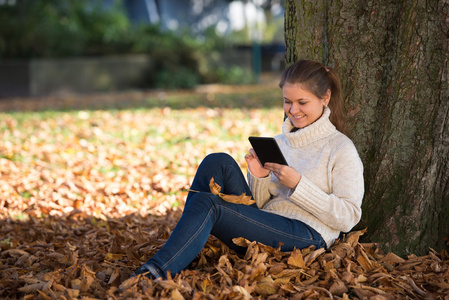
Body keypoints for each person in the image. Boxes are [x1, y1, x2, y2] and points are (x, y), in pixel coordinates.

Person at [132, 59, 364, 279]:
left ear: (325, 97)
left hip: (308, 235)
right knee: (217, 161)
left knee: (209, 204)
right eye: (287, 101)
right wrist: (258, 177)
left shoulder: (340, 148)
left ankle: (154, 272)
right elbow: (262, 207)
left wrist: (299, 185)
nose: (293, 110)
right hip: (268, 224)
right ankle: (183, 245)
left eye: (302, 102)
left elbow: (348, 217)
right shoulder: (280, 142)